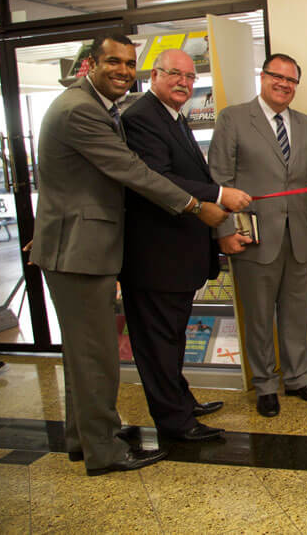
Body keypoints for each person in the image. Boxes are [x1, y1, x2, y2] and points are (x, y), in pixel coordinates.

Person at [29, 34, 228, 476]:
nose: (122, 70)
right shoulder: (81, 109)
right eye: (112, 62)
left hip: (78, 244)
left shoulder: (101, 107)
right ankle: (103, 451)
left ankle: (83, 439)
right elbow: (132, 171)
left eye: (127, 62)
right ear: (90, 64)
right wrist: (197, 205)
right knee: (96, 357)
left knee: (83, 355)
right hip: (79, 251)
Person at [209, 53, 307, 417]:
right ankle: (265, 385)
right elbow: (219, 179)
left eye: (291, 81)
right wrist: (224, 232)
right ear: (262, 77)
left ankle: (298, 379)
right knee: (259, 316)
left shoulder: (305, 124)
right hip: (253, 236)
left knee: (295, 314)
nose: (284, 85)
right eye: (278, 77)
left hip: (299, 235)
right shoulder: (233, 119)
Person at [119, 49, 252, 441]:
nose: (184, 83)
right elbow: (157, 179)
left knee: (172, 338)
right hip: (155, 258)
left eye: (190, 77)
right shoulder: (141, 118)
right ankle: (175, 423)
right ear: (154, 76)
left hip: (176, 257)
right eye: (174, 74)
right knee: (159, 343)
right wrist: (220, 194)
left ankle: (181, 401)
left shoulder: (173, 116)